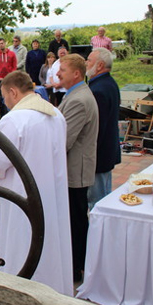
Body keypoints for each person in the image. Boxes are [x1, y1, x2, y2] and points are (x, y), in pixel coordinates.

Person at [0, 71, 72, 295]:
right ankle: (53, 288)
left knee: (20, 244)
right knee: (49, 241)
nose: (5, 102)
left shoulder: (15, 120)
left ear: (13, 92)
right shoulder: (56, 114)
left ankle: (17, 293)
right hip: (50, 194)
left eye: (4, 96)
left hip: (21, 196)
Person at [57, 53, 98, 283]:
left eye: (62, 69)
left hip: (75, 171)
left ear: (76, 73)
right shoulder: (75, 95)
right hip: (74, 169)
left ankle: (76, 268)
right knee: (75, 219)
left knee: (76, 222)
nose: (58, 73)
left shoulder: (78, 100)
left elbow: (63, 141)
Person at [86, 48, 121, 209]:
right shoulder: (109, 83)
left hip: (99, 155)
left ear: (99, 65)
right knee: (104, 196)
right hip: (106, 152)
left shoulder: (98, 90)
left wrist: (89, 156)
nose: (86, 64)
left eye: (89, 61)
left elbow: (96, 129)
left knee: (97, 202)